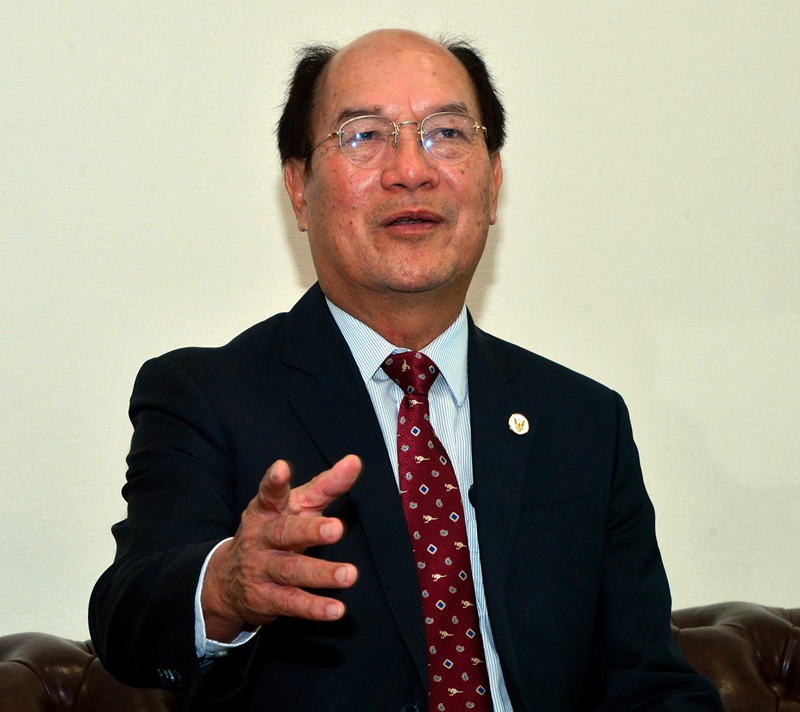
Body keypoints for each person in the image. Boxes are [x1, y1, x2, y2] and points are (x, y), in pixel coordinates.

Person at [89, 29, 723, 711]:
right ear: (298, 188)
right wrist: (224, 588)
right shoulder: (208, 397)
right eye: (364, 135)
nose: (412, 170)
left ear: (493, 182)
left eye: (446, 133)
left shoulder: (583, 420)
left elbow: (646, 682)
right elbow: (128, 616)